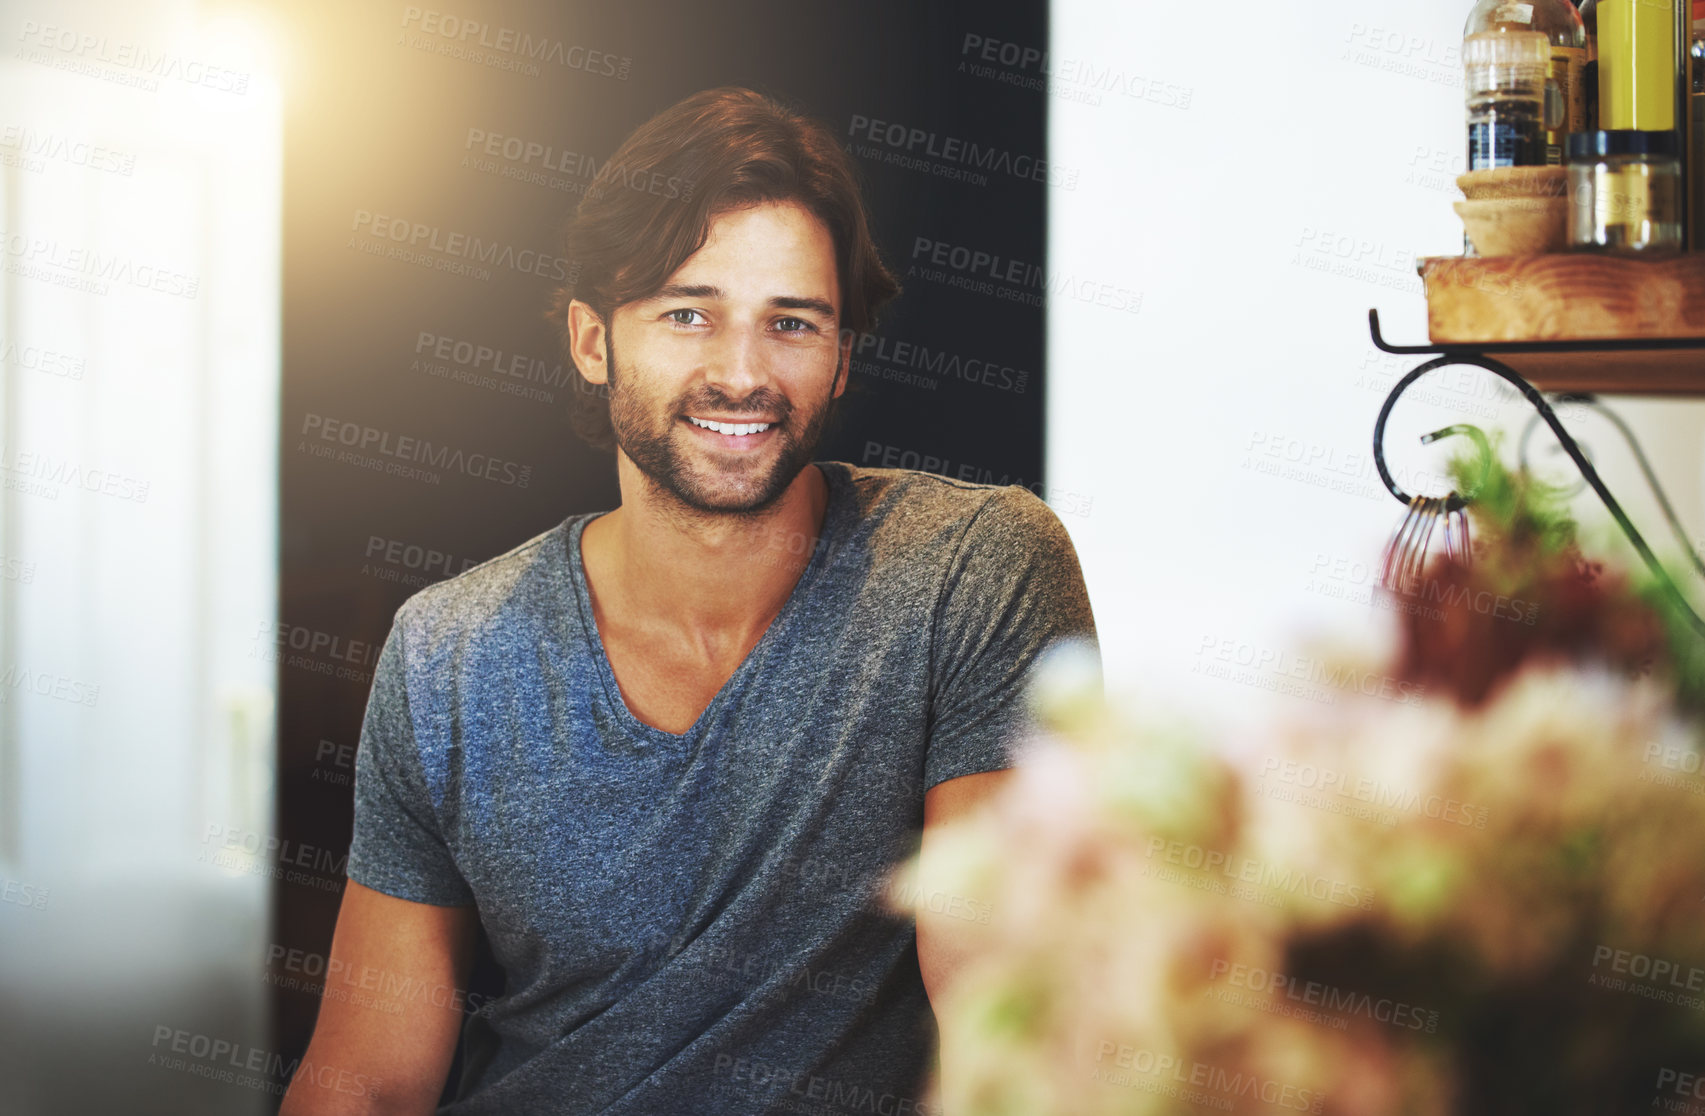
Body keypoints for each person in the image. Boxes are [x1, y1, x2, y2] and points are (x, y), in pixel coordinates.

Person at [280, 86, 1097, 1116]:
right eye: (686, 313)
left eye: (791, 323)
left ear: (844, 357)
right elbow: (368, 1080)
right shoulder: (449, 652)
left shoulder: (973, 571)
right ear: (591, 341)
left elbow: (1001, 1005)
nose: (741, 373)